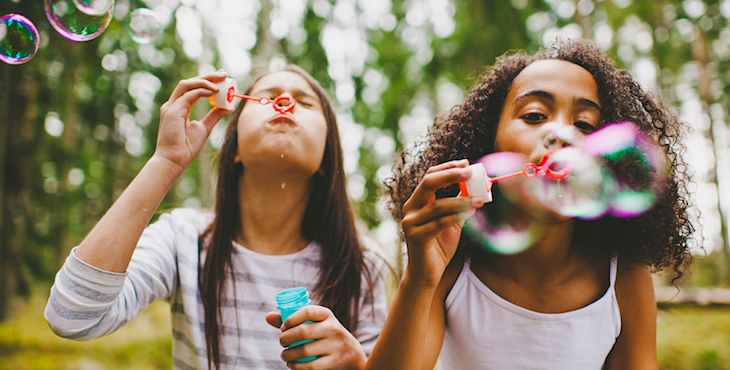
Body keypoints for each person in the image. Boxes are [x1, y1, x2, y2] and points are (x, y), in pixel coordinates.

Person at [366, 38, 695, 370]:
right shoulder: (453, 263)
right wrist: (419, 280)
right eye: (535, 115)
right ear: (487, 139)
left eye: (583, 124)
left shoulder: (621, 271)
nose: (561, 135)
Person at [44, 64, 388, 370]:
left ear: (328, 159)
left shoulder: (360, 262)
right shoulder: (184, 239)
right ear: (235, 148)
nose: (285, 100)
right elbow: (72, 316)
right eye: (268, 95)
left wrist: (357, 365)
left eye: (306, 101)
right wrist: (165, 162)